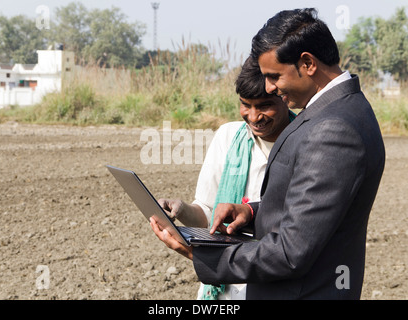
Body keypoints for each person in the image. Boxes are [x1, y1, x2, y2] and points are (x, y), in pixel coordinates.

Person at [151, 8, 385, 300]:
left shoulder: (333, 129)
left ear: (308, 63)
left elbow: (290, 252)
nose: (270, 87)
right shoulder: (344, 109)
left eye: (274, 76)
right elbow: (315, 207)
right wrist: (251, 211)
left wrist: (200, 254)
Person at [157, 56, 294, 300]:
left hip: (272, 287)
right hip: (221, 289)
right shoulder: (228, 136)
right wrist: (181, 210)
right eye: (245, 105)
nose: (253, 116)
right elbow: (208, 214)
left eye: (264, 106)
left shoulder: (304, 143)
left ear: (284, 97)